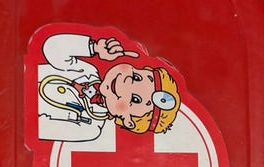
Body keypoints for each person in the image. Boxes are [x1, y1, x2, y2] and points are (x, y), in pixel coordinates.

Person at [38, 32, 180, 142]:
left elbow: (40, 130)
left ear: (129, 121)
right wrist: (94, 48)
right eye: (136, 77)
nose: (125, 83)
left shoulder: (90, 129)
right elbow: (52, 48)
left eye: (135, 99)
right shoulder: (87, 71)